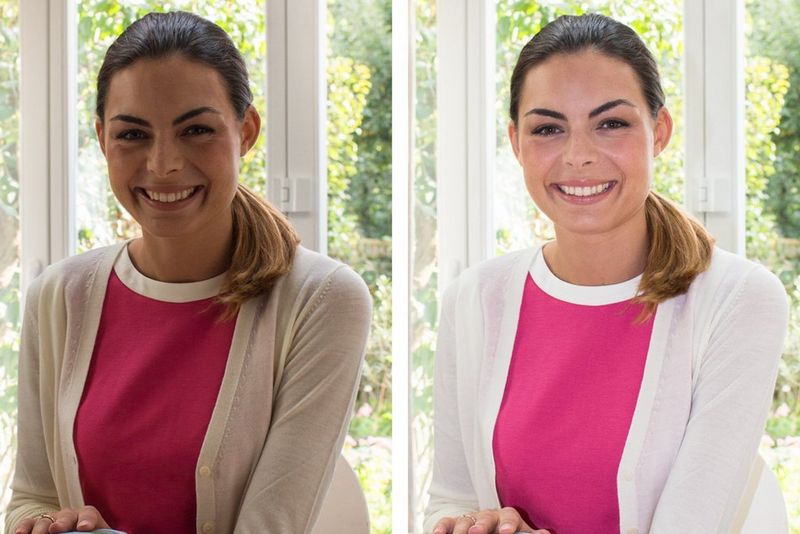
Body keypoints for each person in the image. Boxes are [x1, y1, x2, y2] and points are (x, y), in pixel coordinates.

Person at [7, 11, 371, 534]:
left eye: (196, 130)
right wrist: (42, 523)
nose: (162, 164)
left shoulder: (321, 300)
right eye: (132, 134)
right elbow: (31, 497)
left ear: (245, 132)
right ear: (102, 139)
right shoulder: (59, 296)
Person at [425, 13, 788, 534]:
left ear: (658, 131)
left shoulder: (738, 300)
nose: (578, 156)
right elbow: (451, 496)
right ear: (515, 142)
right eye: (548, 129)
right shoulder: (475, 299)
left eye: (611, 123)